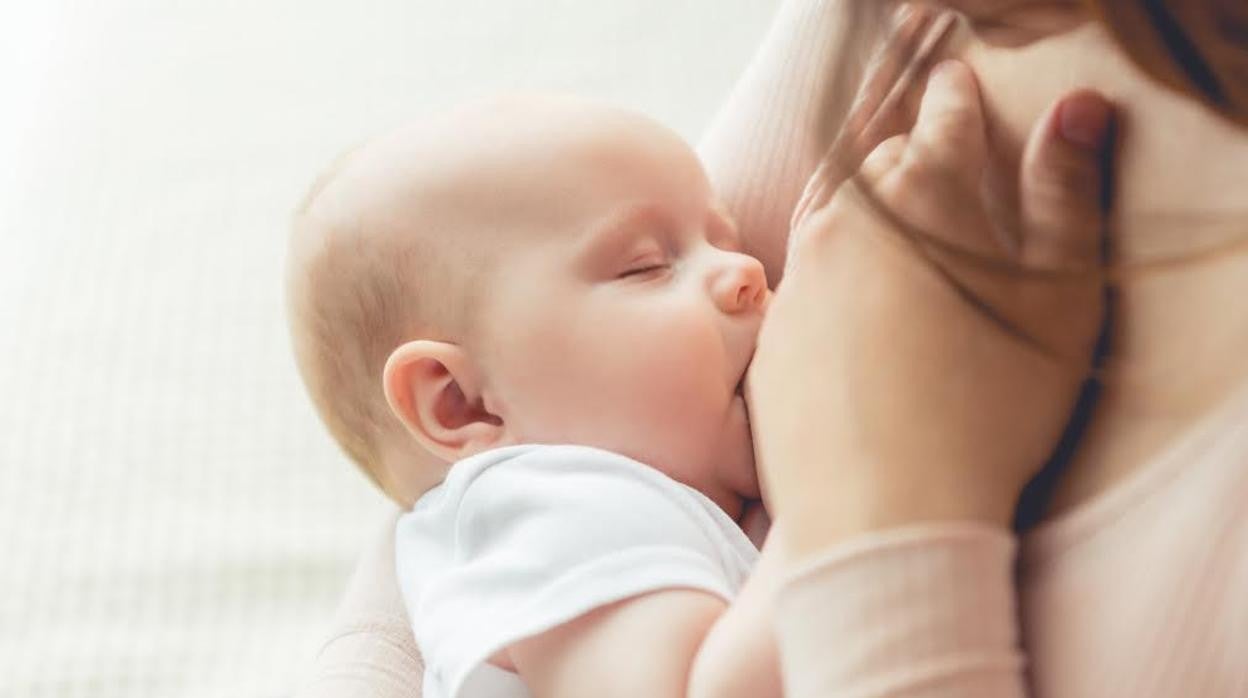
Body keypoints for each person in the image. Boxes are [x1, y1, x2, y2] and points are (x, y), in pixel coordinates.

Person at [298, 0, 1248, 696]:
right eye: (643, 267)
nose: (749, 271)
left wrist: (854, 478)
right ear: (462, 407)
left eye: (721, 235)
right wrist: (866, 476)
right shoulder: (551, 514)